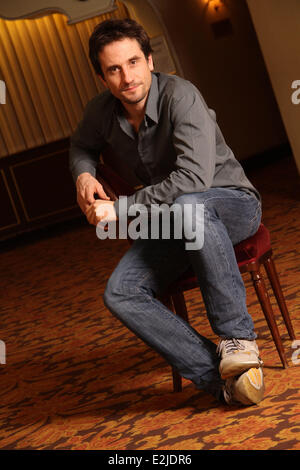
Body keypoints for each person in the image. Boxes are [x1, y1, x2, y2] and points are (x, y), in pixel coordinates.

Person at [69, 18, 265, 406]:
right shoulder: (100, 112)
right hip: (175, 221)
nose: (127, 77)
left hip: (231, 206)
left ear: (150, 60)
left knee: (188, 205)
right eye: (114, 69)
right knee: (120, 292)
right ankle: (225, 380)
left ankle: (238, 339)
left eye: (133, 62)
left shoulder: (181, 95)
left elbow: (192, 180)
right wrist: (83, 176)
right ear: (101, 77)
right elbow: (80, 147)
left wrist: (120, 210)